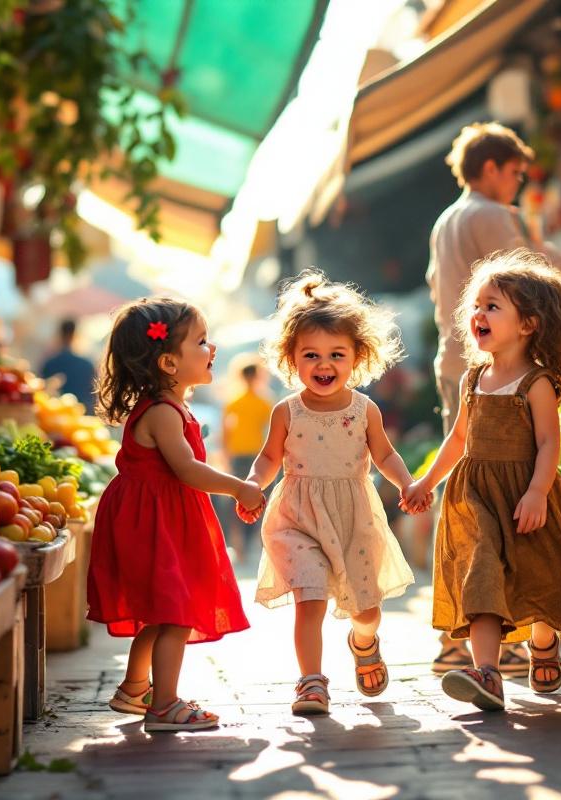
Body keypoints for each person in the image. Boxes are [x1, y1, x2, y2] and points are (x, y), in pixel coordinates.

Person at [403, 251, 561, 711]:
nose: (479, 313)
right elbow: (458, 438)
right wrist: (427, 482)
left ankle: (543, 643)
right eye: (477, 305)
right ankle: (489, 675)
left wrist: (538, 491)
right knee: (480, 579)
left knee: (535, 578)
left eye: (493, 306)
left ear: (528, 325)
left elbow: (548, 445)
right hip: (477, 496)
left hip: (523, 496)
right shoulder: (473, 378)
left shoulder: (535, 383)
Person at [426, 121, 561, 676]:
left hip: (461, 360)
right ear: (492, 167)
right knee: (487, 535)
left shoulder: (446, 219)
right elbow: (528, 268)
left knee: (502, 537)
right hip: (483, 367)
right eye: (515, 173)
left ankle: (478, 643)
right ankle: (486, 647)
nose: (517, 184)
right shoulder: (493, 215)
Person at [238, 271, 416, 716]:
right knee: (309, 599)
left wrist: (408, 484)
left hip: (354, 518)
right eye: (311, 355)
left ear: (357, 358)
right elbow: (268, 459)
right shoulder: (286, 411)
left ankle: (364, 640)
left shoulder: (364, 409)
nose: (324, 364)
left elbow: (386, 456)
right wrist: (252, 486)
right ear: (291, 358)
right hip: (297, 518)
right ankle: (311, 682)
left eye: (337, 354)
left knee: (366, 609)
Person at [85, 298, 264, 733]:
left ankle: (133, 688)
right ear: (168, 362)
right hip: (154, 524)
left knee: (162, 609)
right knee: (175, 614)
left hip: (160, 519)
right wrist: (239, 485)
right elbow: (187, 470)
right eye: (201, 342)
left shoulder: (171, 408)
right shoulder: (163, 413)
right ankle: (163, 704)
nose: (212, 348)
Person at [220, 354, 274, 560]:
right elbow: (226, 433)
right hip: (248, 456)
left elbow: (226, 435)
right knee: (252, 498)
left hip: (255, 455)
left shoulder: (255, 402)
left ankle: (249, 545)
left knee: (248, 498)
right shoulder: (257, 402)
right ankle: (244, 545)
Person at [41, 318, 97, 408]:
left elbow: (42, 394)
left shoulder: (49, 363)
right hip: (83, 417)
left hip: (52, 416)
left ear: (59, 335)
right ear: (76, 336)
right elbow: (93, 397)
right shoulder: (86, 365)